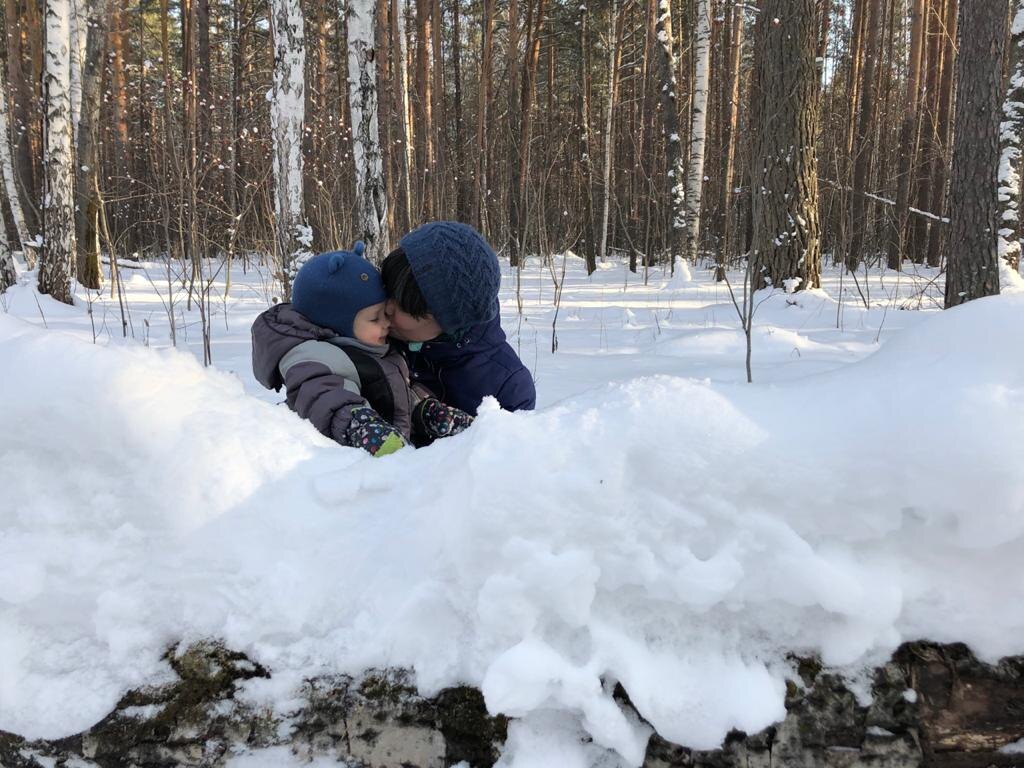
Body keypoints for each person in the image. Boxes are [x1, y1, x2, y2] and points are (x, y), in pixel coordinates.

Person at [251, 243, 472, 456]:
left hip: (390, 464)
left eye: (385, 312)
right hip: (349, 479)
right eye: (375, 318)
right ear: (336, 325)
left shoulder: (372, 350)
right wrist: (360, 425)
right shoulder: (315, 358)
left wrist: (426, 411)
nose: (387, 323)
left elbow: (393, 395)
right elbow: (324, 399)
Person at [381, 221, 536, 415]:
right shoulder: (374, 334)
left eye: (402, 305)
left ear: (448, 320)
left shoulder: (508, 387)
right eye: (387, 288)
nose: (385, 307)